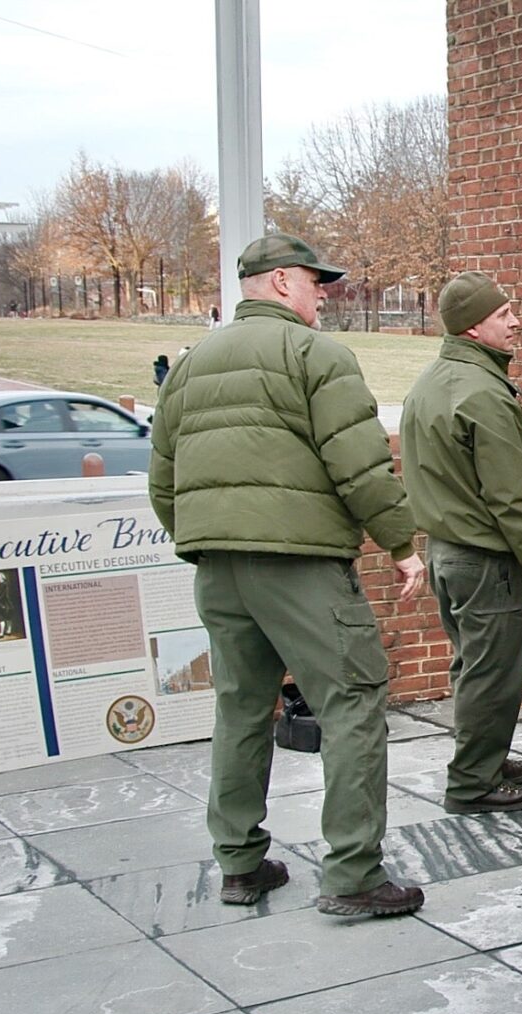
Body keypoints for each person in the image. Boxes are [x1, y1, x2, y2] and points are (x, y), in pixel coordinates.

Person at [149, 231, 429, 918]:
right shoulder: (317, 356)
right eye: (314, 282)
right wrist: (401, 544)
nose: (323, 294)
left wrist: (205, 537)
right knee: (353, 705)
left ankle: (240, 864)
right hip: (300, 567)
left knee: (240, 709)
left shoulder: (190, 365)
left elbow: (163, 477)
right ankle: (353, 875)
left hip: (217, 568)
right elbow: (359, 462)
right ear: (279, 282)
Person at [400, 271, 522, 814]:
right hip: (482, 558)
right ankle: (473, 783)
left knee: (473, 664)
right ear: (474, 327)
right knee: (494, 672)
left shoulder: (430, 382)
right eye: (503, 314)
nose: (515, 321)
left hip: (444, 552)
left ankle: (484, 756)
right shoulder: (484, 395)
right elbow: (511, 496)